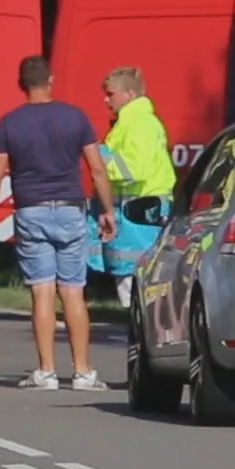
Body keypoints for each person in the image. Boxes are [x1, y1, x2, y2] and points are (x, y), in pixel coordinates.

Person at [0, 56, 116, 391]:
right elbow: (97, 169)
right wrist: (107, 210)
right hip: (70, 208)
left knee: (41, 291)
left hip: (31, 210)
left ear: (21, 84)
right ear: (50, 80)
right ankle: (83, 372)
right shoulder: (75, 117)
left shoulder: (10, 123)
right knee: (73, 291)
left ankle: (46, 372)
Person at [91, 66, 176, 307]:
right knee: (139, 274)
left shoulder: (137, 124)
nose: (105, 99)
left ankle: (139, 327)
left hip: (137, 211)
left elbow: (131, 172)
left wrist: (101, 156)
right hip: (141, 210)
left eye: (110, 93)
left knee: (132, 275)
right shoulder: (137, 122)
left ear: (128, 94)